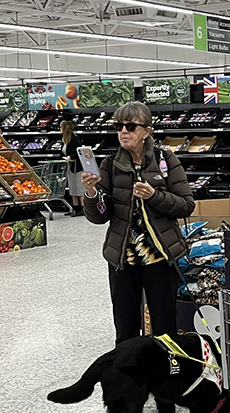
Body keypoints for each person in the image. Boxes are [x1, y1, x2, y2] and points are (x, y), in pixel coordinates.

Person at [80, 101, 194, 345]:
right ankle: (130, 380)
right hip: (123, 260)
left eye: (130, 126)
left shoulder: (167, 160)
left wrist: (154, 195)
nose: (123, 131)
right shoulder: (109, 165)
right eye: (118, 126)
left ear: (147, 131)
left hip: (160, 258)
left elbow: (186, 204)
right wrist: (91, 194)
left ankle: (166, 377)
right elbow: (99, 216)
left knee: (165, 328)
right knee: (126, 330)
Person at [61, 119, 84, 215]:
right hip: (69, 167)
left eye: (61, 127)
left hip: (77, 167)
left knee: (79, 187)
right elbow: (62, 152)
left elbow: (79, 152)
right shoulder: (64, 140)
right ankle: (74, 208)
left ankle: (82, 208)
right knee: (72, 188)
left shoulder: (75, 139)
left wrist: (71, 157)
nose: (59, 129)